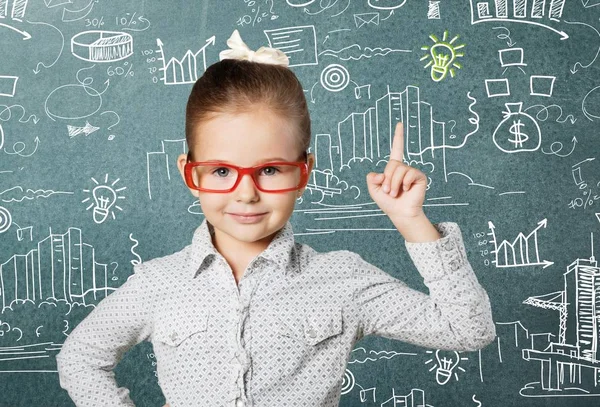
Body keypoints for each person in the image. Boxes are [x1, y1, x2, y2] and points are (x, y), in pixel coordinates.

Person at [56, 29, 496, 407]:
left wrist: (411, 221)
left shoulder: (341, 279)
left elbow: (468, 330)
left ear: (304, 171)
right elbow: (79, 357)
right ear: (191, 174)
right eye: (222, 171)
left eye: (269, 170)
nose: (246, 193)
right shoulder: (158, 283)